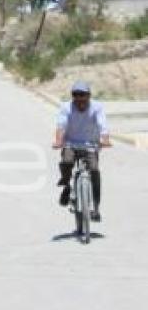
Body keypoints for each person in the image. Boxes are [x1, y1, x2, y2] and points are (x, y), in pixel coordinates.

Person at [53, 81, 111, 221]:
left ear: (89, 96)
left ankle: (96, 208)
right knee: (66, 161)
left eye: (83, 95)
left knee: (95, 171)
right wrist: (59, 141)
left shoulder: (97, 107)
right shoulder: (66, 107)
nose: (79, 98)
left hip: (90, 144)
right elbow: (61, 125)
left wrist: (105, 139)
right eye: (76, 95)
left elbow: (103, 125)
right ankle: (66, 186)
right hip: (71, 143)